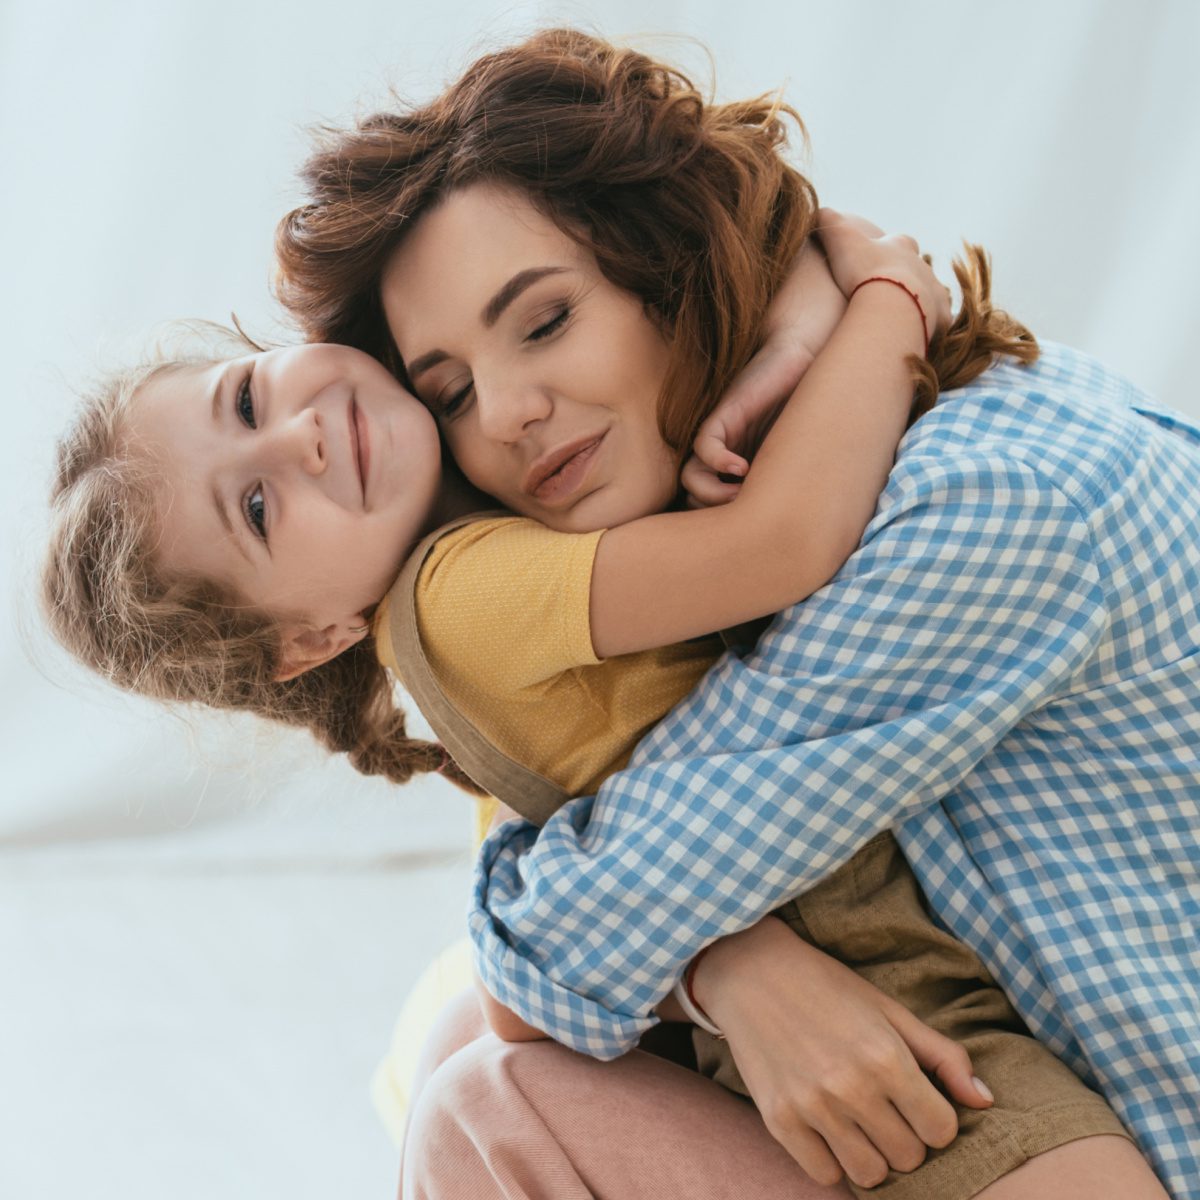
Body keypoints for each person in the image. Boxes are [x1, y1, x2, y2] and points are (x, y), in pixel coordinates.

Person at [274, 27, 1197, 1199]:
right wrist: (842, 298)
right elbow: (594, 800)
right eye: (448, 391)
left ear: (666, 266)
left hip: (1146, 1144)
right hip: (1024, 1083)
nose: (506, 412)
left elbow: (554, 940)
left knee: (484, 1093)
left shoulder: (978, 504)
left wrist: (711, 963)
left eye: (546, 321)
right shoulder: (809, 452)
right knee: (450, 1040)